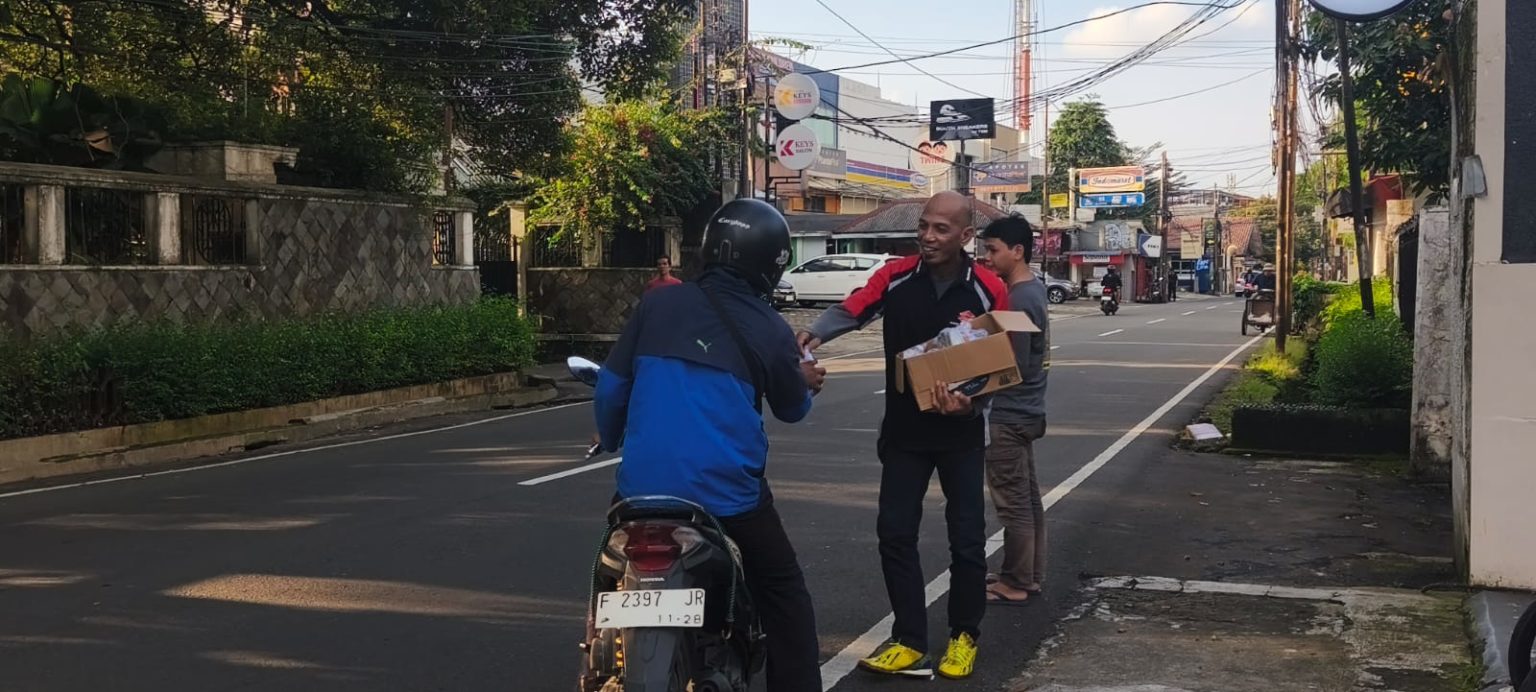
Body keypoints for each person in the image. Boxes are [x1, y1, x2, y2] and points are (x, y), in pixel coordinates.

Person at [595, 199, 827, 691]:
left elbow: (610, 388)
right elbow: (793, 410)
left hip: (641, 493)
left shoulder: (657, 304)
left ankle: (600, 657)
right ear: (771, 264)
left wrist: (612, 439)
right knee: (783, 591)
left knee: (609, 570)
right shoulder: (771, 328)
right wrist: (805, 381)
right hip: (728, 501)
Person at [798, 190, 1009, 680]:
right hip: (904, 433)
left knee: (967, 540)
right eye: (923, 226)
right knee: (894, 535)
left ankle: (964, 636)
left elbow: (1002, 363)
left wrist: (973, 404)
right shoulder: (895, 276)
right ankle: (910, 640)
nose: (928, 237)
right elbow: (854, 308)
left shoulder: (988, 289)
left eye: (940, 229)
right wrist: (814, 332)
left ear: (965, 235)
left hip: (960, 435)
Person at [976, 217, 1050, 606]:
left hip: (1010, 413)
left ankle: (1016, 581)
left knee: (1013, 503)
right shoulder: (1031, 290)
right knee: (1028, 499)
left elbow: (1013, 364)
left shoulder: (1020, 298)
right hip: (1028, 410)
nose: (987, 258)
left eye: (993, 250)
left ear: (1017, 251)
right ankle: (1029, 574)